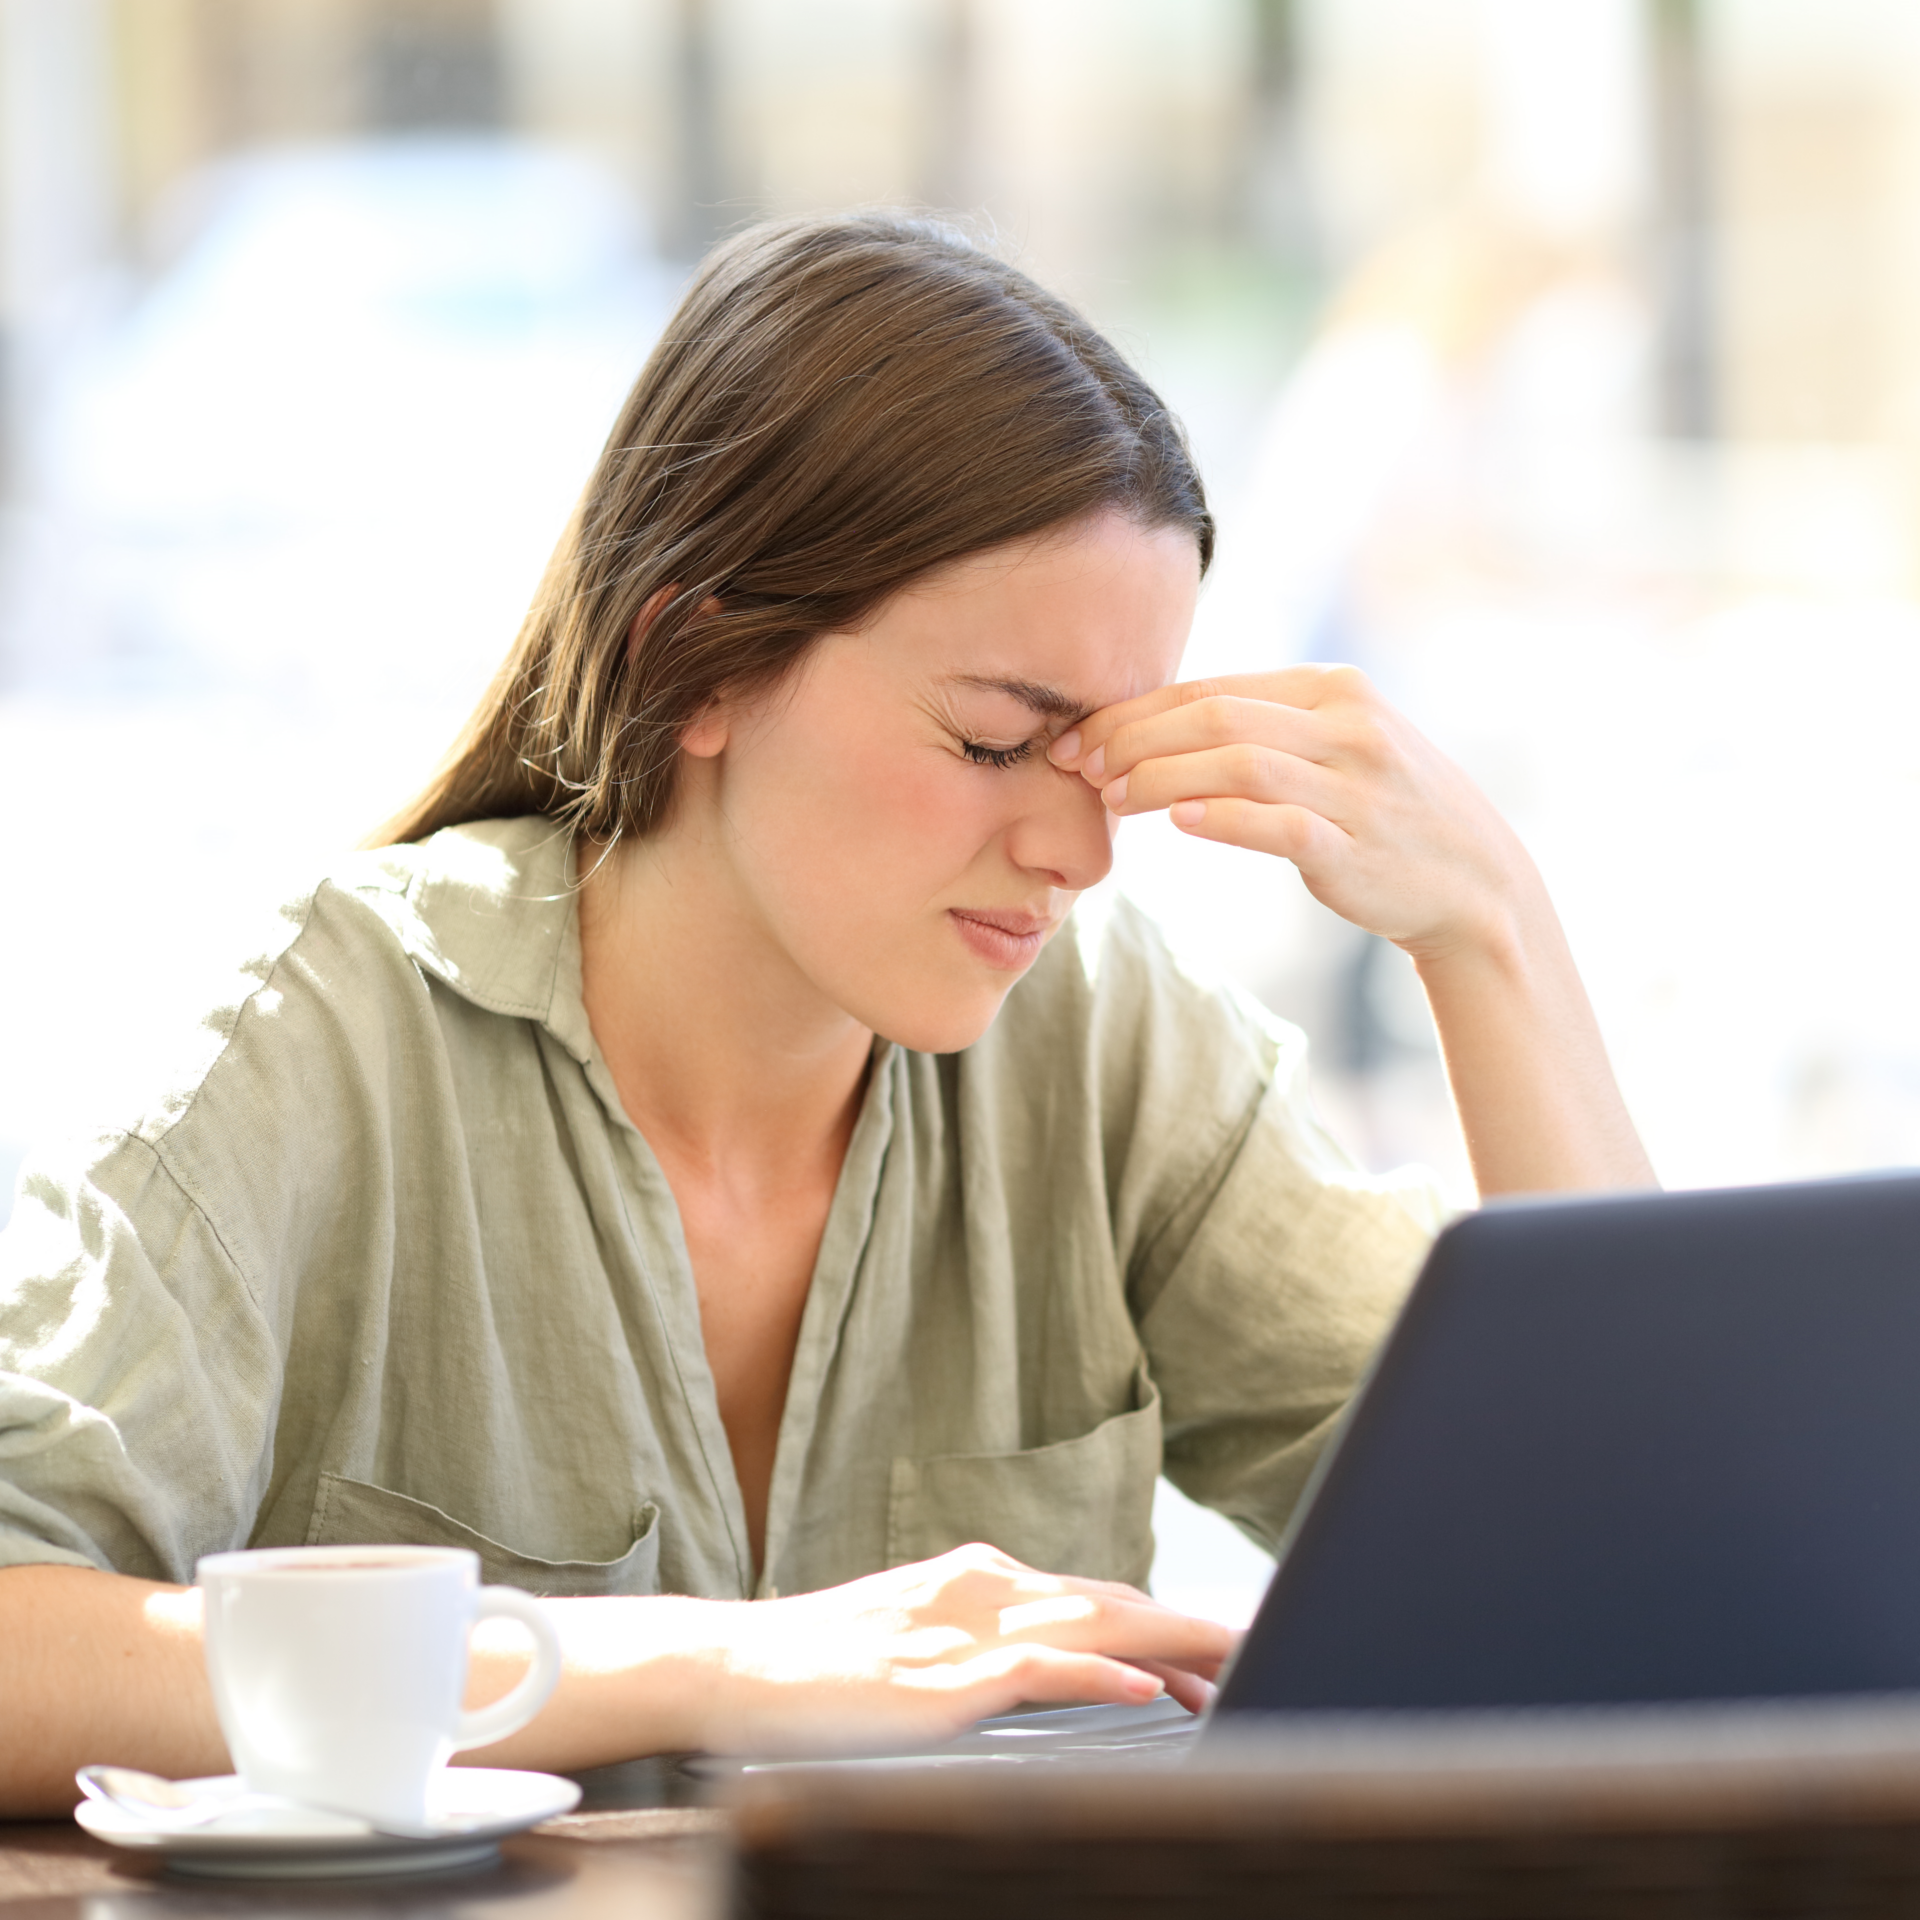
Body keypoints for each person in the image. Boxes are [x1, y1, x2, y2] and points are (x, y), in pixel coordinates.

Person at [0, 213, 1652, 1815]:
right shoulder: (327, 1046)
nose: (1078, 850)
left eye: (1109, 758)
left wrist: (1489, 930)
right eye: (1002, 741)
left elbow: (1624, 1580)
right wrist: (713, 1665)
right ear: (701, 661)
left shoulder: (1103, 1045)